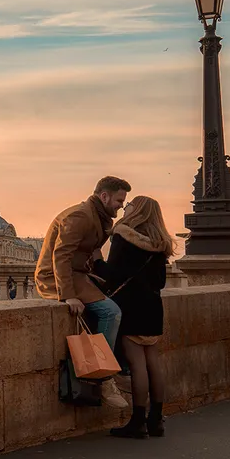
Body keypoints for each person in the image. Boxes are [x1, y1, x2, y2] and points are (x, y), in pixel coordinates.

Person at [34, 175, 131, 409]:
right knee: (111, 312)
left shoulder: (96, 216)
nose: (121, 205)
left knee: (120, 302)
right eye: (119, 200)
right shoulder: (80, 216)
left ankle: (113, 367)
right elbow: (61, 255)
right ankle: (104, 377)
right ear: (104, 196)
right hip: (57, 278)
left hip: (78, 276)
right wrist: (67, 295)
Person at [93, 196, 173, 439]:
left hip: (131, 306)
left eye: (128, 206)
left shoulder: (123, 237)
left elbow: (112, 275)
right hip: (153, 306)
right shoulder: (161, 244)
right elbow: (160, 281)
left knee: (137, 365)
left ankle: (137, 421)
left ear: (135, 211)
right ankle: (156, 420)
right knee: (153, 364)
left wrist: (97, 259)